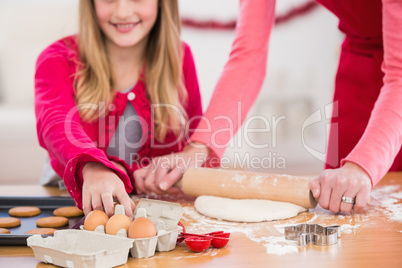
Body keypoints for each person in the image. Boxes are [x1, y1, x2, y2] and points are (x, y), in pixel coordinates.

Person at [133, 0, 402, 214]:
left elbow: (399, 76)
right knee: (342, 208)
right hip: (361, 62)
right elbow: (248, 55)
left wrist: (361, 166)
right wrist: (199, 147)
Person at [34, 0, 203, 218]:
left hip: (150, 206)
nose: (123, 12)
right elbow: (55, 123)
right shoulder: (57, 59)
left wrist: (178, 164)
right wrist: (93, 166)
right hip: (68, 198)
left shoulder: (179, 57)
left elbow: (195, 142)